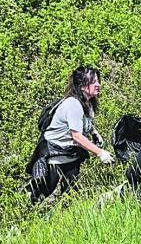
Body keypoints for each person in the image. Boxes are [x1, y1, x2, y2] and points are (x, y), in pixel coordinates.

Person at [27, 65, 115, 203]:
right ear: (83, 86)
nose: (98, 85)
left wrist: (94, 132)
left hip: (71, 156)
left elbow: (84, 122)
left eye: (98, 81)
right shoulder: (73, 105)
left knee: (69, 194)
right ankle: (28, 215)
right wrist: (100, 153)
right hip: (54, 156)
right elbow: (77, 136)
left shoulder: (89, 103)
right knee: (42, 194)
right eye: (93, 82)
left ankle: (62, 219)